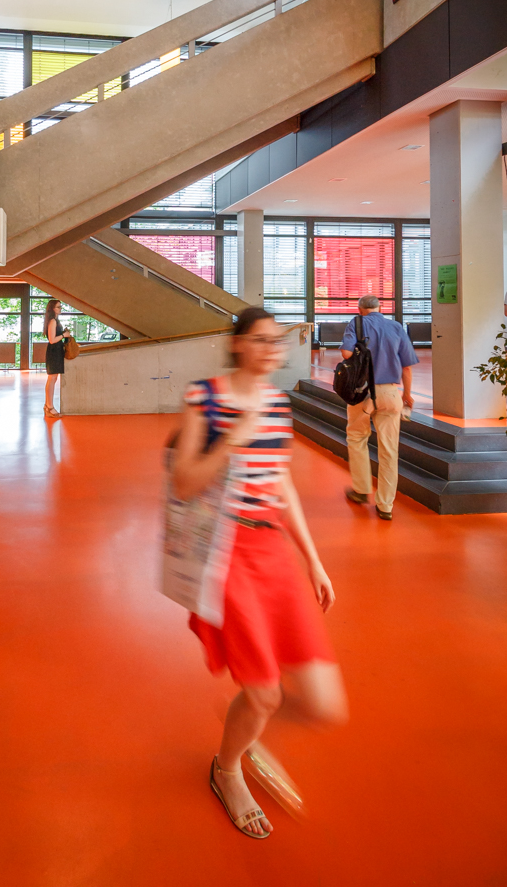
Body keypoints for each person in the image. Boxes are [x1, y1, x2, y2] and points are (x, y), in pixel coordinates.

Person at [173, 307, 347, 840]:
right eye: (262, 340)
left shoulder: (276, 402)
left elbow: (281, 482)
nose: (273, 349)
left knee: (323, 704)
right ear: (237, 344)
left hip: (271, 550)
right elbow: (184, 482)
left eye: (278, 341)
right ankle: (227, 769)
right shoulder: (204, 397)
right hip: (225, 552)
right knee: (267, 694)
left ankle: (247, 719)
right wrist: (232, 437)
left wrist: (312, 558)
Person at [340, 295, 418, 521]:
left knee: (357, 437)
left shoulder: (356, 324)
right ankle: (385, 505)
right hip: (390, 393)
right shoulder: (396, 327)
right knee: (389, 450)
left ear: (360, 309)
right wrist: (407, 395)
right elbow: (407, 367)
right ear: (380, 307)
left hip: (362, 393)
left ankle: (361, 490)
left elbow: (346, 354)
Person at [43, 299, 70, 418]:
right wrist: (64, 335)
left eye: (60, 307)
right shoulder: (53, 321)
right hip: (54, 352)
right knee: (52, 379)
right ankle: (49, 407)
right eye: (58, 307)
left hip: (56, 351)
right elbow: (52, 340)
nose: (60, 309)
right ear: (53, 309)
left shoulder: (55, 320)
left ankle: (48, 405)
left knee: (52, 379)